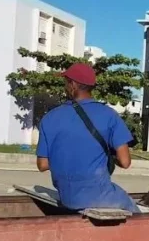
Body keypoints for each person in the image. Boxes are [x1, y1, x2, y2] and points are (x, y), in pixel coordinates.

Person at [35, 63, 139, 213]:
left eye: (66, 82)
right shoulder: (109, 115)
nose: (65, 86)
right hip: (101, 196)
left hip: (67, 197)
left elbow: (42, 165)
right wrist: (108, 157)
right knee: (138, 214)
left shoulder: (50, 118)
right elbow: (125, 162)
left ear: (73, 84)